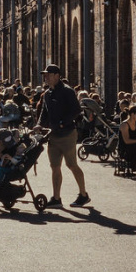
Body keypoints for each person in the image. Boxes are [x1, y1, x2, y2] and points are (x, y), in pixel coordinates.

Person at [36, 64, 89, 208]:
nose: (46, 77)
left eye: (48, 74)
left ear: (57, 76)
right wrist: (39, 124)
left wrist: (61, 123)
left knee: (71, 165)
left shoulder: (67, 91)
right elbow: (44, 113)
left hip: (67, 134)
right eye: (45, 75)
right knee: (55, 167)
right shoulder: (47, 94)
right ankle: (56, 198)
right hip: (53, 135)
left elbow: (76, 110)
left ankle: (83, 195)